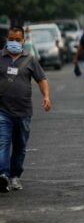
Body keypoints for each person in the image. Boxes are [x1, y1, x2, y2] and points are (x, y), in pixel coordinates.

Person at [0, 26, 51, 193]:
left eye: (17, 39)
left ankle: (15, 176)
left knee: (20, 145)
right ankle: (3, 176)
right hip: (3, 111)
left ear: (23, 41)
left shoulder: (30, 60)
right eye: (11, 39)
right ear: (7, 39)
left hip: (23, 112)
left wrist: (46, 96)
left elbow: (41, 79)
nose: (14, 42)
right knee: (3, 142)